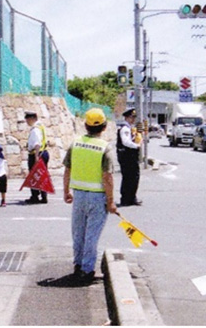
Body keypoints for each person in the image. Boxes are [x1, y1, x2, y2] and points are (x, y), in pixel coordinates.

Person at [63, 108, 117, 285]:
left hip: (78, 195)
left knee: (78, 233)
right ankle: (87, 271)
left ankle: (78, 265)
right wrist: (111, 202)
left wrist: (66, 191)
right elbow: (107, 178)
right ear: (104, 126)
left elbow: (67, 170)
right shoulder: (105, 148)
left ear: (85, 125)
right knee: (91, 236)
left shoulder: (75, 143)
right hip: (97, 197)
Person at [116, 108, 142, 207]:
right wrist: (137, 146)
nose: (133, 119)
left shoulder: (129, 127)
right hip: (127, 155)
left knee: (132, 177)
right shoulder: (125, 128)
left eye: (134, 117)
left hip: (128, 155)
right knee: (129, 177)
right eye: (132, 117)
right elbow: (126, 142)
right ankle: (127, 198)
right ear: (126, 117)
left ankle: (131, 197)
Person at [24, 110, 49, 204]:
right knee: (41, 176)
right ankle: (43, 196)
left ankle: (35, 196)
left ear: (32, 118)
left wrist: (36, 156)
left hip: (37, 154)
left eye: (27, 119)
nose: (26, 121)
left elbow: (37, 144)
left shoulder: (35, 129)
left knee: (34, 176)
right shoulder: (41, 126)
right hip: (43, 153)